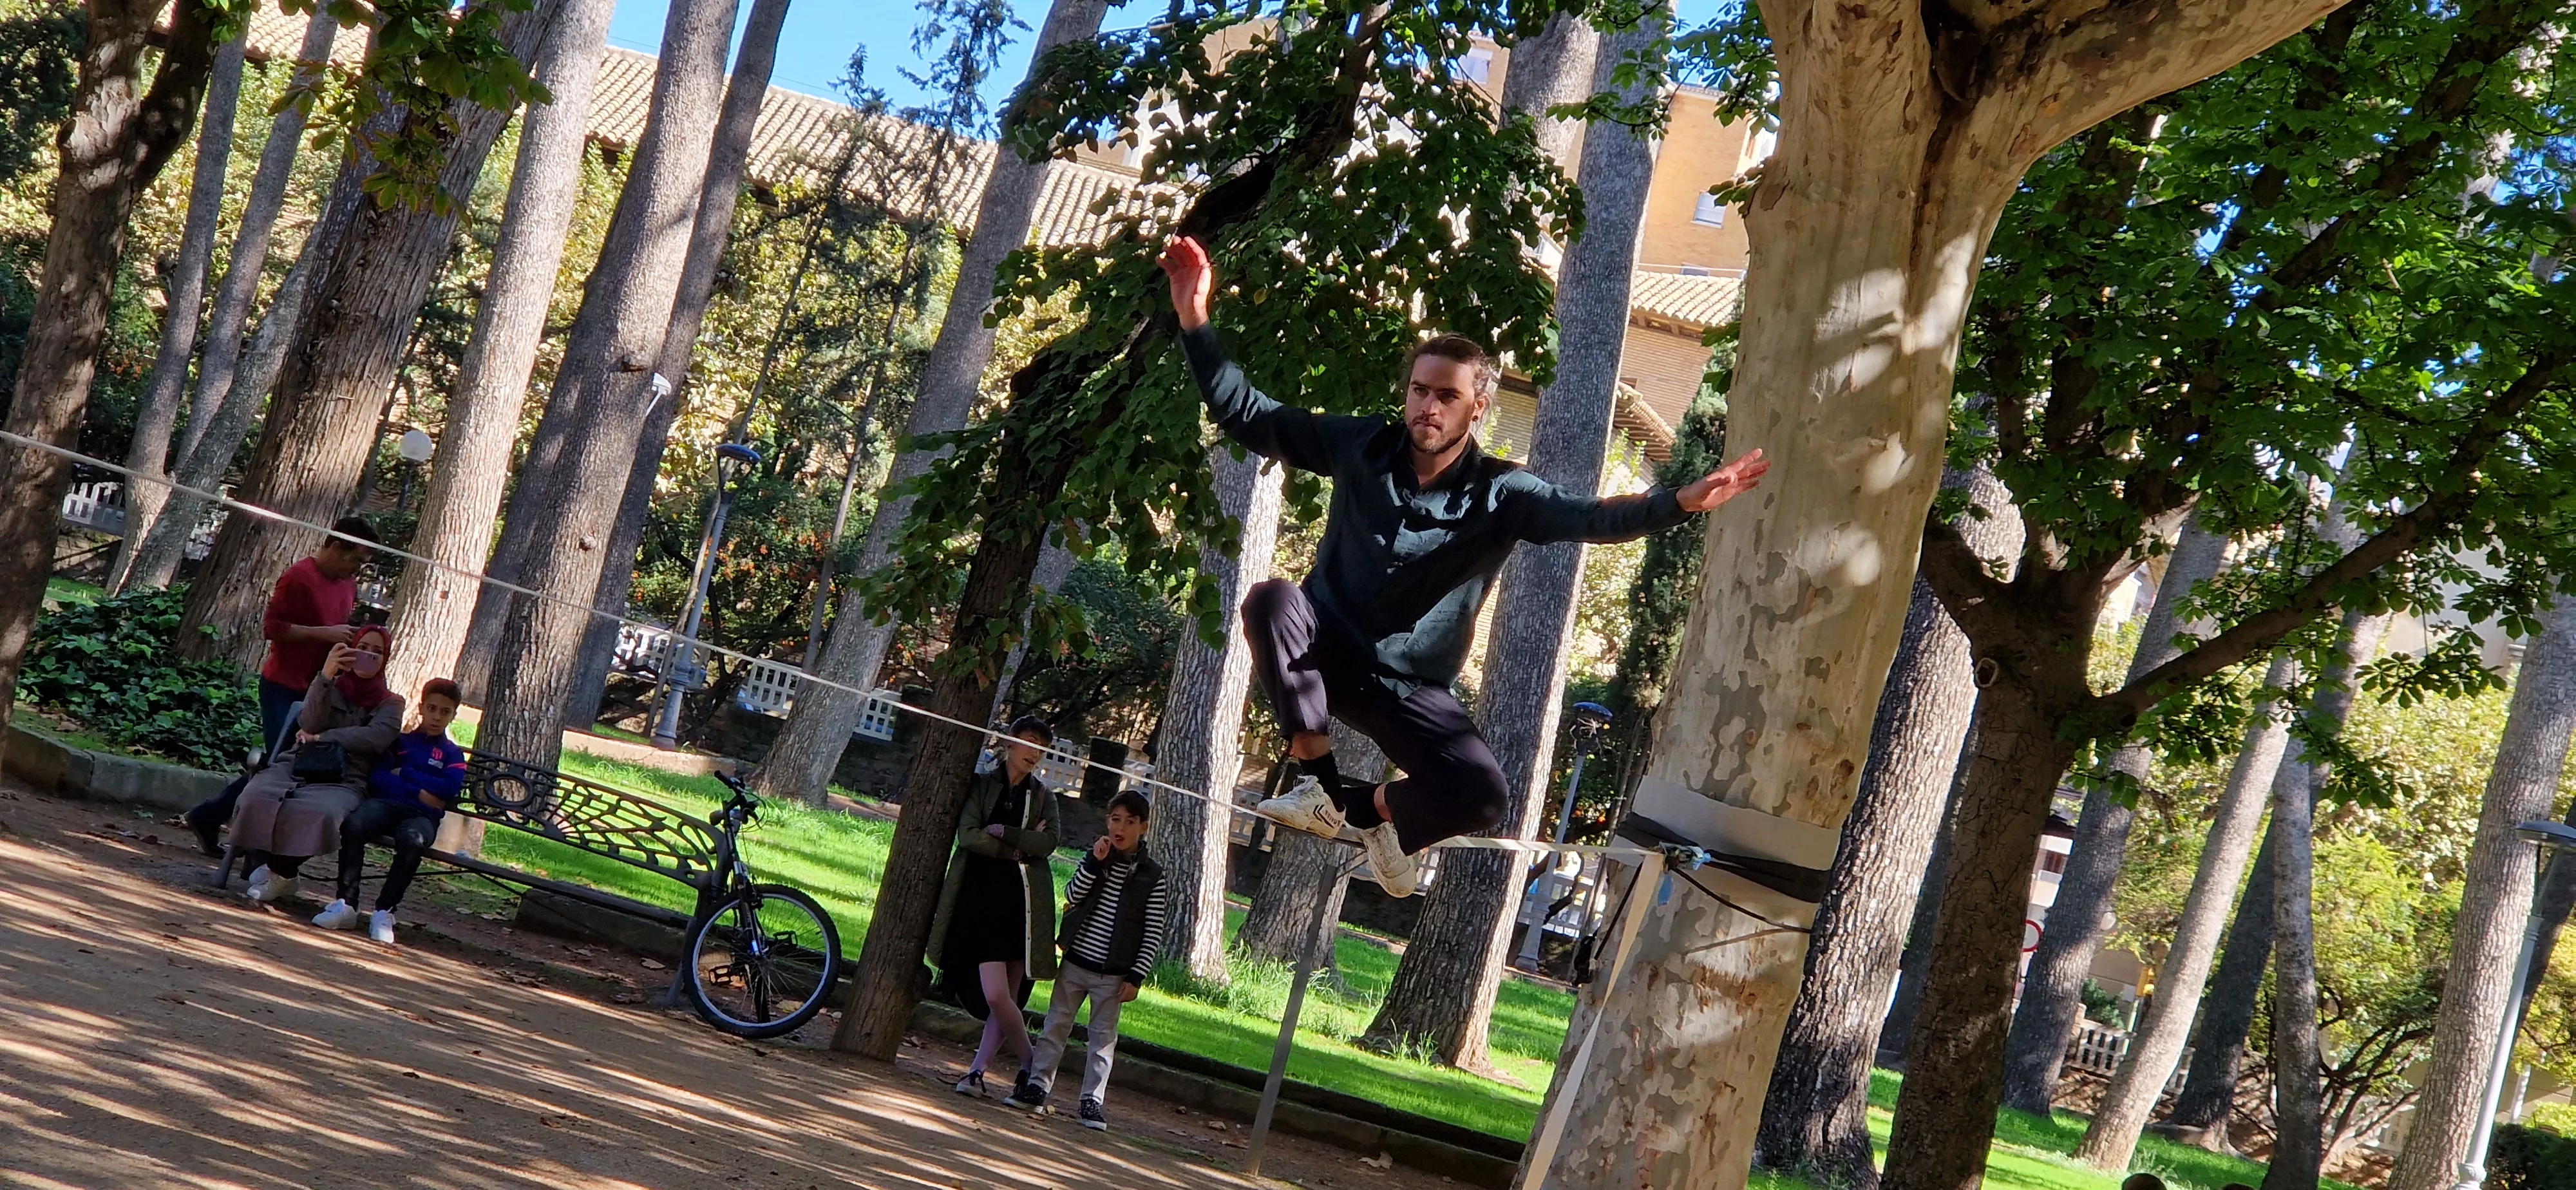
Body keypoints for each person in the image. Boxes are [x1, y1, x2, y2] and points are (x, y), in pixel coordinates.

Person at [1157, 235, 1771, 896]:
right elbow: (1251, 414)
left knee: (1481, 795)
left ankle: (1364, 814)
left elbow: (1592, 518)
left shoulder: (1505, 494)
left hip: (1406, 686)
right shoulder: (1361, 444)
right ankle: (1316, 782)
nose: (1427, 407)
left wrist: (1680, 501)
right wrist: (1195, 317)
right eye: (1419, 391)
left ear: (1476, 407)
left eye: (1445, 396)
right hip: (1324, 652)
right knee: (1273, 599)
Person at [183, 517, 380, 853]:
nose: (356, 570)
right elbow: (273, 628)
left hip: (317, 688)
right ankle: (227, 823)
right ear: (335, 547)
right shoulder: (299, 577)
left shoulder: (346, 585)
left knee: (289, 763)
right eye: (355, 560)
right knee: (280, 762)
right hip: (282, 685)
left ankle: (215, 817)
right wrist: (324, 634)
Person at [1007, 789, 1168, 1131]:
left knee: (1102, 1039)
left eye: (1129, 822)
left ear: (1144, 828)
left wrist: (1136, 976)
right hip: (1077, 961)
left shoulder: (1153, 876)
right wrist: (1095, 863)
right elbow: (1072, 894)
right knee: (1055, 1026)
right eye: (1115, 819)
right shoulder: (1097, 856)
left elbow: (1153, 930)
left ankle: (1092, 1101)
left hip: (1113, 974)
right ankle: (1037, 1086)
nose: (1120, 828)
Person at [931, 715, 1062, 1102]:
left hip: (1024, 905)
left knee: (1011, 994)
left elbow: (1048, 843)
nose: (1034, 752)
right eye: (1029, 742)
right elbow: (969, 835)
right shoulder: (983, 787)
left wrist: (1008, 834)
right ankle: (1032, 1064)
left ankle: (976, 1073)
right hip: (981, 898)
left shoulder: (1043, 797)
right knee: (995, 995)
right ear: (1010, 743)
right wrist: (1017, 848)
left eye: (1042, 747)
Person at [228, 623, 405, 906]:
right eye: (362, 648)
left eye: (377, 652)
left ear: (386, 659)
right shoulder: (330, 685)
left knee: (322, 813)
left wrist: (324, 737)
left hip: (346, 777)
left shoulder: (391, 703)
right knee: (257, 794)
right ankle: (279, 871)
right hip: (299, 764)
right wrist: (326, 675)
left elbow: (375, 738)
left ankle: (281, 871)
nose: (368, 656)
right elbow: (308, 722)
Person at [312, 678, 468, 945]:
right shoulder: (400, 743)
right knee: (354, 825)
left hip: (422, 817)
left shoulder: (453, 755)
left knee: (413, 842)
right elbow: (379, 778)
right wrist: (421, 792)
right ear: (421, 708)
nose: (436, 717)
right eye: (432, 708)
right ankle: (346, 903)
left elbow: (449, 789)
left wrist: (406, 774)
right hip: (386, 805)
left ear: (454, 715)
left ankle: (384, 911)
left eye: (445, 712)